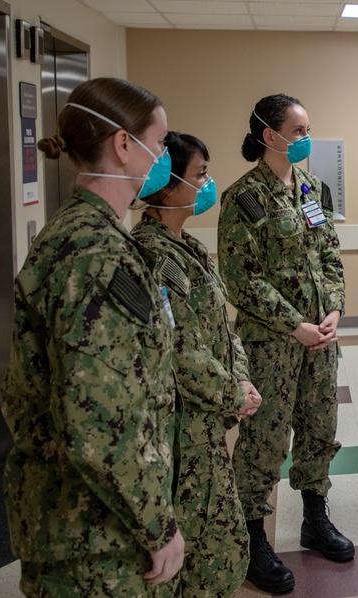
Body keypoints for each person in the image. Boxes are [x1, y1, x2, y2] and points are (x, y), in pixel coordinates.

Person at [1, 77, 184, 596]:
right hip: (95, 536)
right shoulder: (96, 255)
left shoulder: (81, 233)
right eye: (160, 142)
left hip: (86, 519)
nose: (163, 157)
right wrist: (157, 526)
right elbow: (99, 418)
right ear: (125, 145)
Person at [218, 93, 350, 595]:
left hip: (321, 338)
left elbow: (330, 256)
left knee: (320, 427)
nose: (305, 139)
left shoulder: (313, 189)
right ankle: (251, 539)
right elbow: (241, 279)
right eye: (297, 131)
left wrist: (334, 308)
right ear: (268, 136)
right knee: (264, 442)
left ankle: (315, 519)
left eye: (308, 130)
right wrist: (295, 324)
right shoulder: (243, 198)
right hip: (272, 343)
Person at [131, 131, 262, 597]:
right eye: (200, 174)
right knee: (198, 557)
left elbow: (222, 330)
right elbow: (182, 350)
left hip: (206, 430)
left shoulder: (184, 246)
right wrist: (234, 392)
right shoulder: (152, 253)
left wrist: (241, 376)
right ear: (168, 184)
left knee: (222, 549)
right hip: (181, 435)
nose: (208, 184)